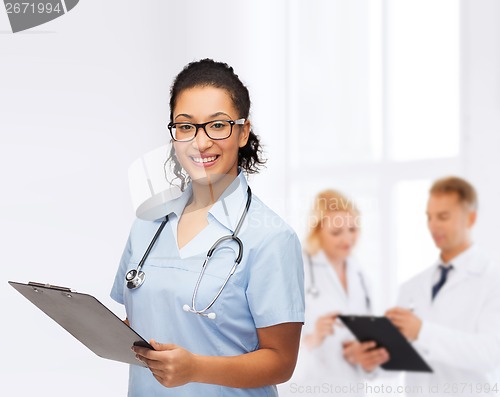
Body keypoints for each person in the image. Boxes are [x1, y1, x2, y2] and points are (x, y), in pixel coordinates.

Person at [110, 59, 305, 396]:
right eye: (186, 127)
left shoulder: (271, 237)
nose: (200, 142)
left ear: (243, 132)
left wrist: (196, 369)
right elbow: (139, 322)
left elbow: (281, 362)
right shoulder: (148, 223)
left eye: (217, 125)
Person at [385, 176, 500, 396]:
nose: (433, 225)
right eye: (429, 217)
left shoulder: (493, 281)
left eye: (443, 217)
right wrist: (376, 357)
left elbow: (491, 353)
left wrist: (422, 331)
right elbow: (399, 362)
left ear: (471, 218)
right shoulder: (412, 286)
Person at [279, 190, 389, 397]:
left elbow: (369, 345)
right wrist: (314, 337)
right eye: (336, 232)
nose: (347, 239)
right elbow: (277, 348)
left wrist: (363, 356)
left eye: (353, 229)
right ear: (317, 230)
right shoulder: (296, 269)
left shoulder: (360, 276)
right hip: (309, 389)